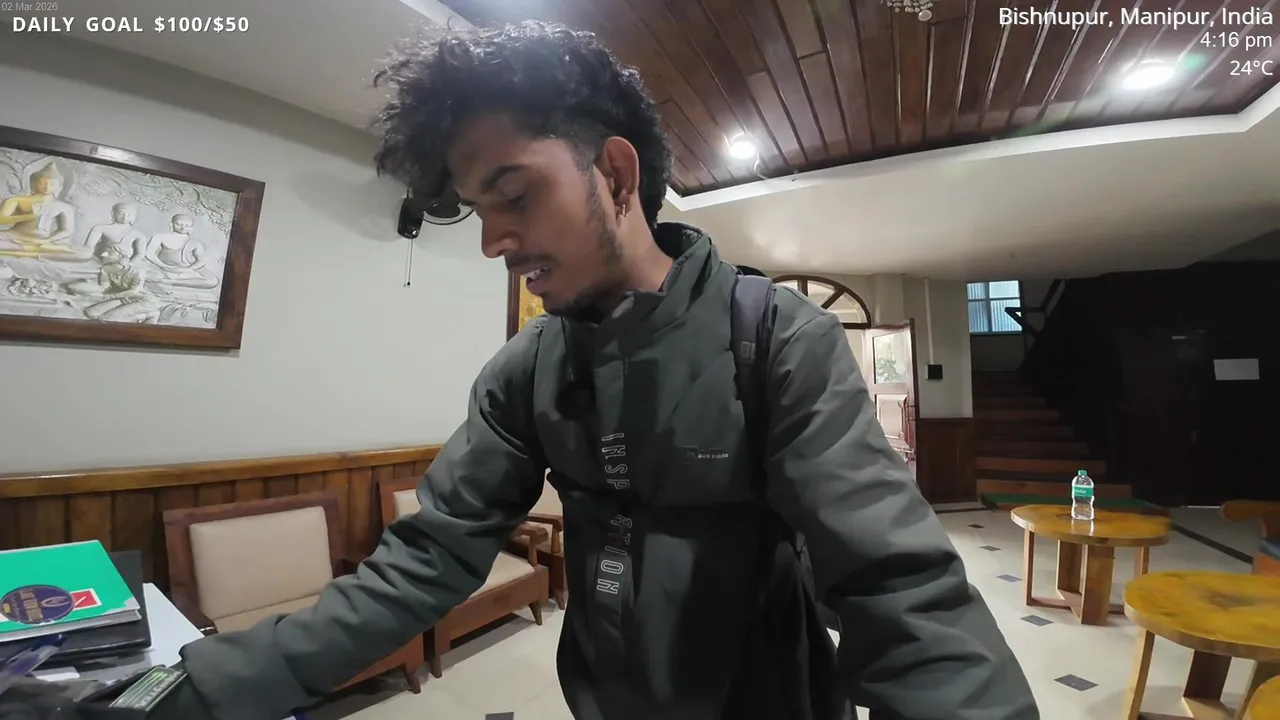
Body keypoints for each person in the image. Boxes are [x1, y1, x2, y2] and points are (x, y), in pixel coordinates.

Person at [153, 21, 1038, 720]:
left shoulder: (776, 339)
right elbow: (424, 562)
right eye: (479, 212)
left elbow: (899, 590)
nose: (494, 241)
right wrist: (193, 691)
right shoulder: (523, 372)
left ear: (615, 174)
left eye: (515, 194)